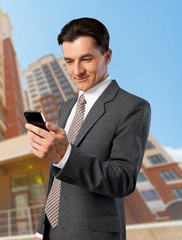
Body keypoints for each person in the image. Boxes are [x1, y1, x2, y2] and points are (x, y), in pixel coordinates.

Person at [25, 17, 151, 240]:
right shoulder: (66, 107)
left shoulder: (133, 107)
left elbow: (123, 179)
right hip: (52, 233)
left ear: (108, 56)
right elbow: (56, 176)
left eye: (86, 59)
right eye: (69, 61)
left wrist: (66, 155)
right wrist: (41, 228)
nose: (77, 71)